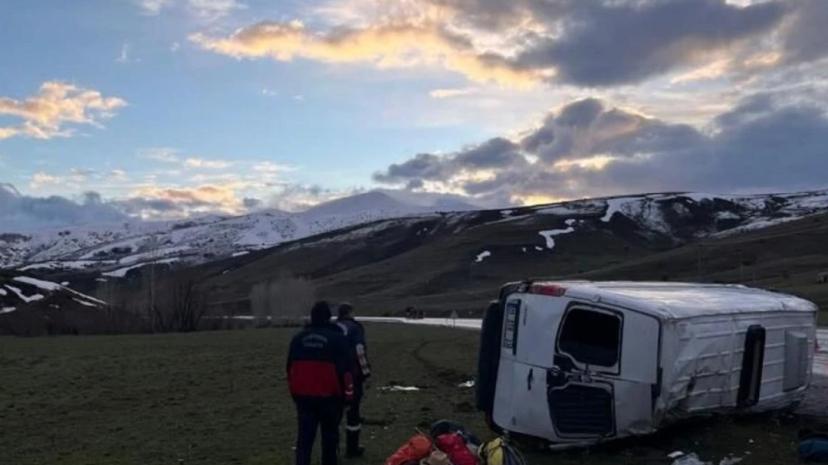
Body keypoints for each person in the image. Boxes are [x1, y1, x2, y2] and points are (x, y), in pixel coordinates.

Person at [287, 301, 354, 465]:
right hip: (330, 397)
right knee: (330, 438)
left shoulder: (297, 339)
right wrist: (348, 397)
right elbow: (347, 372)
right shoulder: (338, 339)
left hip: (303, 397)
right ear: (329, 317)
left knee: (304, 440)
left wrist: (295, 393)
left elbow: (289, 369)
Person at [336, 303, 372, 458]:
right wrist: (366, 372)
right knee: (353, 412)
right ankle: (352, 448)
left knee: (334, 413)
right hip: (352, 375)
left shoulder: (333, 327)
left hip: (334, 375)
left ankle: (333, 449)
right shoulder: (355, 327)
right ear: (350, 313)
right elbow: (359, 350)